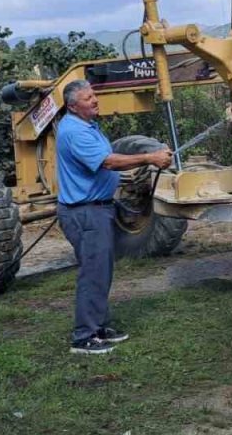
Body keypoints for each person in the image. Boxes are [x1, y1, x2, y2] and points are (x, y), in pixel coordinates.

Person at [56, 79, 173, 355]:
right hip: (85, 212)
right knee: (93, 273)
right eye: (88, 98)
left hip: (97, 209)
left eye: (94, 94)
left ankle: (99, 327)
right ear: (73, 106)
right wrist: (150, 158)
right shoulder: (75, 132)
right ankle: (83, 338)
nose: (95, 100)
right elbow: (107, 161)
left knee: (101, 271)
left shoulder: (87, 125)